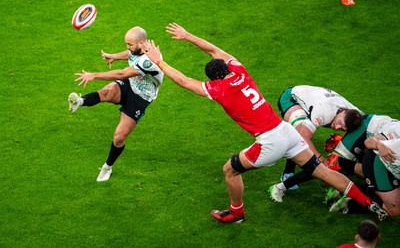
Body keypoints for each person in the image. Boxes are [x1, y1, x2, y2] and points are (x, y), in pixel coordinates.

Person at [143, 23, 388, 223]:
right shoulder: (239, 71)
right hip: (287, 132)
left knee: (230, 169)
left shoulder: (219, 89)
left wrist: (159, 61)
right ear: (227, 69)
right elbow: (215, 51)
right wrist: (188, 36)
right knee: (322, 171)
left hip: (270, 140)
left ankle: (236, 212)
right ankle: (370, 204)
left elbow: (185, 81)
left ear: (213, 78)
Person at [68, 26, 164, 182]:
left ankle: (107, 167)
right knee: (108, 91)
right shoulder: (137, 49)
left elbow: (123, 73)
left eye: (130, 44)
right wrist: (113, 56)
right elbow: (129, 54)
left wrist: (94, 75)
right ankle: (80, 101)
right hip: (131, 84)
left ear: (141, 43)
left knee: (119, 137)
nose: (127, 47)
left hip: (141, 97)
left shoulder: (149, 60)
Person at [278, 85, 363, 189]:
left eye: (342, 129)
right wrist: (321, 160)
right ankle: (287, 173)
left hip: (314, 99)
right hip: (292, 98)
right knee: (298, 132)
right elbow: (302, 137)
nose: (337, 127)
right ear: (343, 112)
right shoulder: (324, 113)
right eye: (340, 123)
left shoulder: (355, 114)